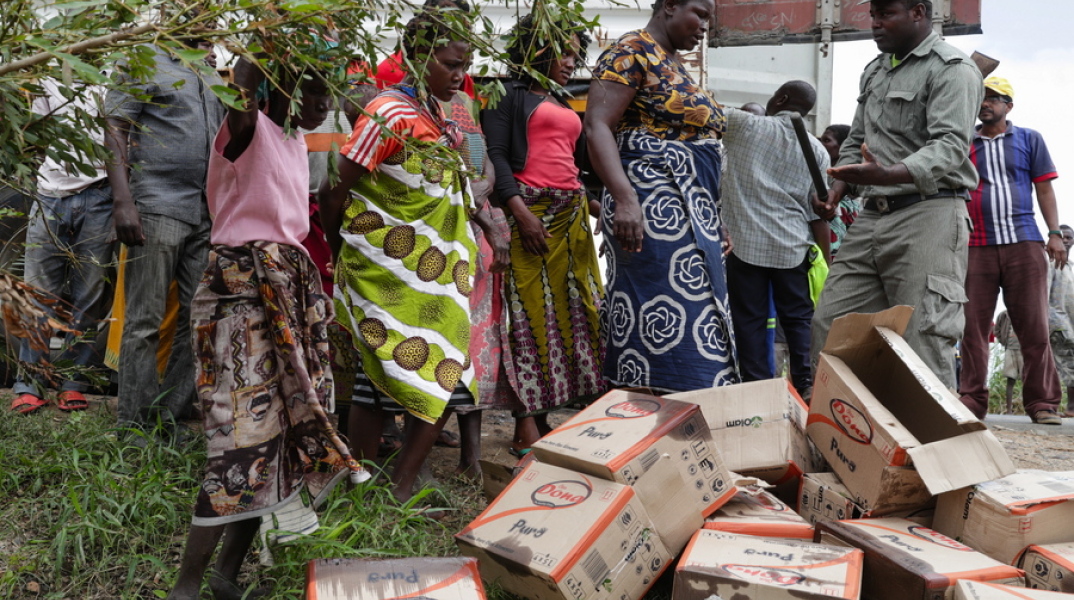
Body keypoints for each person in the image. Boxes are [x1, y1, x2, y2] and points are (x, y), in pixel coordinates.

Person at [167, 50, 365, 600]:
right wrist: (274, 30)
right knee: (240, 439)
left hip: (288, 286)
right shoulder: (246, 126)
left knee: (278, 440)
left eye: (327, 98)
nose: (321, 106)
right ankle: (185, 588)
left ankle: (226, 577)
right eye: (311, 93)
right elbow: (246, 81)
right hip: (240, 293)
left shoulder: (297, 140)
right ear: (279, 87)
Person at [318, 8, 478, 508]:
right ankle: (372, 488)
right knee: (376, 373)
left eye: (466, 64)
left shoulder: (440, 114)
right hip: (386, 272)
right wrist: (344, 251)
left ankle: (401, 484)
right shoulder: (387, 113)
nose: (461, 75)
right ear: (419, 56)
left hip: (437, 277)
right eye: (452, 64)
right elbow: (333, 190)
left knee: (444, 368)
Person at [810, 0, 983, 389]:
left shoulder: (953, 69)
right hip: (872, 217)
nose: (874, 24)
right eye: (872, 15)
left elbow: (949, 147)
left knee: (923, 335)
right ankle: (845, 439)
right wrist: (837, 188)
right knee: (832, 325)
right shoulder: (874, 71)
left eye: (885, 14)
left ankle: (932, 447)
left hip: (929, 214)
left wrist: (888, 174)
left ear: (918, 12)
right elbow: (857, 140)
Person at [585, 0, 738, 393]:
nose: (705, 26)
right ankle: (651, 418)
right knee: (666, 314)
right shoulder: (630, 52)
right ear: (669, 6)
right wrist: (624, 198)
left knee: (700, 314)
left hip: (689, 206)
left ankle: (683, 422)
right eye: (700, 14)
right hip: (652, 205)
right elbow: (598, 126)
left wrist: (713, 218)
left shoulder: (672, 61)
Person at [482, 13, 605, 453]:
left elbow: (571, 163)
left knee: (579, 312)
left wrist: (597, 206)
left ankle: (561, 412)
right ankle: (526, 422)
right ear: (537, 48)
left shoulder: (557, 95)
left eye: (576, 53)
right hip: (529, 212)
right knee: (528, 317)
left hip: (569, 216)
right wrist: (518, 211)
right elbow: (495, 157)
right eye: (564, 51)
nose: (572, 61)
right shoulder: (507, 95)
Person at [104, 40, 225, 436]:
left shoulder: (208, 68)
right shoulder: (140, 58)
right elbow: (115, 126)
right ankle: (133, 427)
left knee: (202, 319)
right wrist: (123, 201)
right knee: (144, 320)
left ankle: (166, 416)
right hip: (156, 203)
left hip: (204, 209)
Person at [959, 76, 1065, 423]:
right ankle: (972, 402)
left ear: (1009, 106)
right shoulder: (962, 141)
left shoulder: (1029, 139)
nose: (986, 103)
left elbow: (1044, 190)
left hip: (1023, 243)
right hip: (975, 246)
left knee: (1034, 327)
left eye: (995, 98)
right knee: (972, 329)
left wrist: (1054, 233)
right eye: (982, 97)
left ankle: (1043, 404)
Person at [721, 81, 830, 399]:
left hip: (745, 245)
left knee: (750, 319)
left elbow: (700, 112)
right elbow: (817, 212)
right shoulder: (818, 150)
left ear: (780, 98)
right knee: (798, 318)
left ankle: (757, 388)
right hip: (792, 247)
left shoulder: (745, 125)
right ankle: (806, 384)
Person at [11, 79, 114, 414]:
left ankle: (72, 382)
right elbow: (36, 132)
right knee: (36, 294)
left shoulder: (114, 75)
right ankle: (30, 384)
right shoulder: (47, 77)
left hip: (100, 193)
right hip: (49, 195)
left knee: (89, 295)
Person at [818, 124, 861, 256]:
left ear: (843, 146)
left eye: (826, 140)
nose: (820, 144)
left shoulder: (850, 176)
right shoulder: (821, 170)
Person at [1049, 225, 1074, 417]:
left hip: (1071, 324)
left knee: (1069, 364)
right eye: (1062, 237)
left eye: (1069, 237)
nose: (1065, 240)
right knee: (1061, 365)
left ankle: (1070, 407)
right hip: (1057, 322)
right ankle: (1056, 406)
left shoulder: (1071, 267)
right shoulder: (1050, 264)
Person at [992, 310, 1022, 414]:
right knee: (1010, 379)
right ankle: (1009, 409)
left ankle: (1029, 408)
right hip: (1010, 349)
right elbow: (996, 330)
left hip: (1024, 350)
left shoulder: (1027, 311)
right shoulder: (1004, 314)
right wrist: (1004, 342)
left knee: (1027, 380)